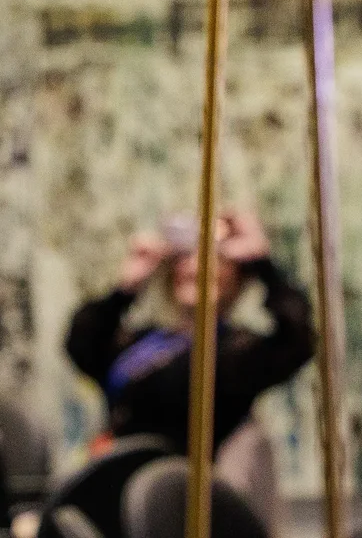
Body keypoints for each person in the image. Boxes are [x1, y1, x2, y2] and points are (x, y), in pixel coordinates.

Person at [63, 209, 314, 525]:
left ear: (237, 278)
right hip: (117, 493)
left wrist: (262, 263)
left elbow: (297, 339)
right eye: (186, 258)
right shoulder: (143, 342)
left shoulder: (236, 352)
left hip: (181, 507)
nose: (197, 267)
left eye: (214, 261)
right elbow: (81, 345)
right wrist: (126, 287)